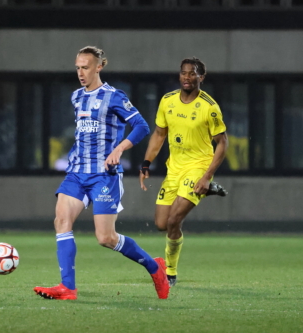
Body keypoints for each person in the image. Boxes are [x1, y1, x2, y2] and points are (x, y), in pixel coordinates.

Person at [33, 46, 170, 300]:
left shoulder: (114, 96)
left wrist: (120, 148)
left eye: (85, 67)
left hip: (104, 176)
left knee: (105, 238)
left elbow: (141, 126)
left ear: (99, 66)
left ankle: (155, 267)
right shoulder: (76, 97)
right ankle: (68, 288)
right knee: (61, 221)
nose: (80, 73)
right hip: (77, 173)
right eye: (77, 67)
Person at [139, 57, 229, 287]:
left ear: (201, 77)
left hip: (198, 168)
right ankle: (208, 191)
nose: (187, 77)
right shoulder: (167, 101)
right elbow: (159, 134)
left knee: (174, 220)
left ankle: (170, 272)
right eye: (184, 73)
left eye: (192, 73)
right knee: (162, 223)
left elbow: (223, 142)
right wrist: (146, 163)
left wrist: (206, 175)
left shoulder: (209, 106)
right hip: (174, 170)